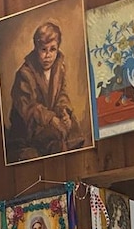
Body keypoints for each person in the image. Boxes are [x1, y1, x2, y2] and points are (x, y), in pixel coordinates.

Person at [5, 21, 84, 162]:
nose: (48, 55)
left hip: (51, 119)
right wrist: (52, 119)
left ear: (58, 49)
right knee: (54, 138)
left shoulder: (59, 68)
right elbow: (29, 108)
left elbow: (62, 94)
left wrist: (63, 112)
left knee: (73, 126)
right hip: (29, 126)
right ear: (36, 49)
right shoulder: (25, 74)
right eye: (43, 50)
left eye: (52, 49)